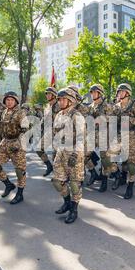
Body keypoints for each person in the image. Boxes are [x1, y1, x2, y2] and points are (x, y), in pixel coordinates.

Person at [52, 88, 85, 224]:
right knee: (57, 181)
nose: (60, 101)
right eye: (59, 99)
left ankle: (74, 209)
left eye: (63, 99)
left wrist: (75, 154)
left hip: (74, 153)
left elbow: (81, 137)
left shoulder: (77, 116)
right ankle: (67, 202)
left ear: (70, 100)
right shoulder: (59, 115)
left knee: (74, 183)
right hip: (61, 151)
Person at [0, 91, 29, 205]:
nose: (9, 102)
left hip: (17, 143)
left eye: (12, 100)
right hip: (5, 142)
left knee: (19, 170)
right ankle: (8, 184)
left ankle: (20, 194)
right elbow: (1, 127)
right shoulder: (4, 112)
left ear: (16, 101)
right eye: (7, 100)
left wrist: (18, 143)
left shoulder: (20, 113)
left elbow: (26, 129)